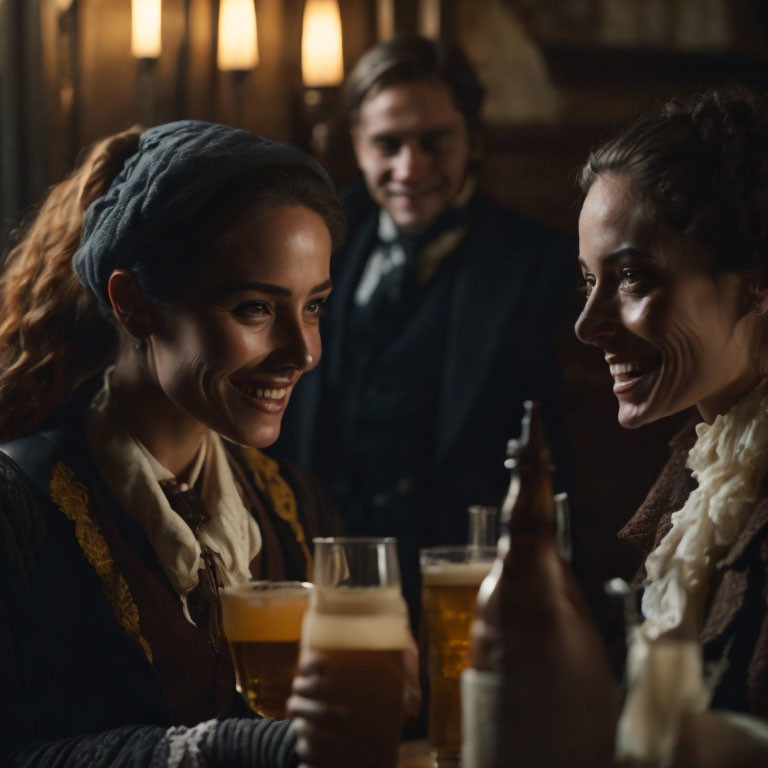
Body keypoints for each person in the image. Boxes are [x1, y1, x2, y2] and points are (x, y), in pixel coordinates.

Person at [0, 120, 346, 767]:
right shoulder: (18, 510)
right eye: (256, 308)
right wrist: (232, 750)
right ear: (133, 304)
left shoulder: (293, 508)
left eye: (313, 306)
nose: (303, 352)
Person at [274, 34, 573, 628]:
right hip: (322, 577)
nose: (410, 168)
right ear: (357, 143)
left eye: (434, 142)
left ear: (473, 142)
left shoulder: (538, 263)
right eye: (388, 144)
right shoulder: (310, 241)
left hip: (464, 592)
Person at [560, 86, 768, 766]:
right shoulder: (704, 464)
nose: (588, 326)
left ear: (755, 282)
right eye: (588, 281)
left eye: (631, 276)